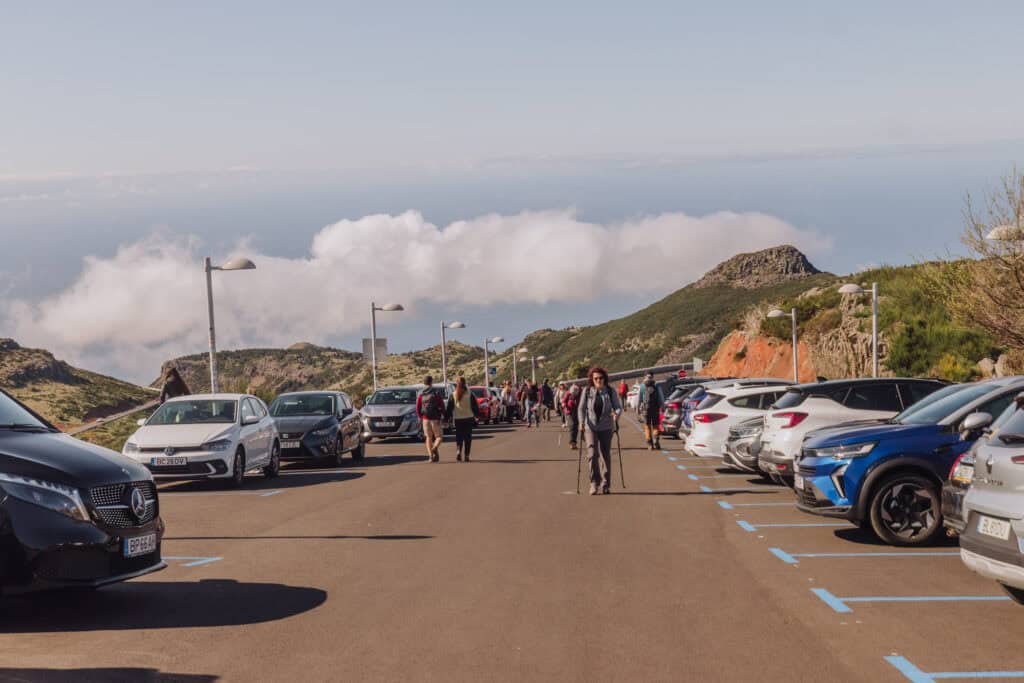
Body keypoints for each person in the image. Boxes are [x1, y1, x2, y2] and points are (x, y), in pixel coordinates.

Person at [577, 366, 623, 495]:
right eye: (596, 378)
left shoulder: (610, 391)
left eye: (601, 378)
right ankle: (594, 483)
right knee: (592, 454)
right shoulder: (587, 391)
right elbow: (581, 409)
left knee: (605, 455)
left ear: (605, 378)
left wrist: (616, 414)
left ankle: (605, 483)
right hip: (590, 427)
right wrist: (581, 423)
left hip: (606, 427)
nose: (599, 380)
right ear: (592, 379)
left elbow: (618, 407)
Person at [445, 377, 480, 462]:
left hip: (458, 419)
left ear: (457, 384)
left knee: (459, 437)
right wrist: (477, 416)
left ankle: (458, 451)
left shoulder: (453, 394)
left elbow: (449, 408)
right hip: (468, 418)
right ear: (465, 383)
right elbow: (475, 407)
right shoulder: (470, 394)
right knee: (468, 437)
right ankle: (467, 455)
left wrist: (446, 418)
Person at [416, 375, 446, 462]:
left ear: (424, 382)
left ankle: (430, 456)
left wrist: (421, 417)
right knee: (439, 437)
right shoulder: (436, 392)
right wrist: (444, 414)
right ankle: (435, 447)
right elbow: (442, 405)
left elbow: (417, 408)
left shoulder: (420, 393)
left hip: (425, 418)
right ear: (431, 382)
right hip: (435, 418)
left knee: (428, 437)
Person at [641, 374, 663, 450]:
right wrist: (662, 406)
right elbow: (660, 398)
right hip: (655, 409)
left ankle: (650, 444)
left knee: (647, 427)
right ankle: (656, 439)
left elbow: (639, 399)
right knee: (655, 426)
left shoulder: (642, 387)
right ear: (652, 378)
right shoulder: (656, 386)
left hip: (646, 410)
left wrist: (638, 409)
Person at [564, 384, 580, 449]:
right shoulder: (568, 393)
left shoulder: (580, 393)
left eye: (575, 394)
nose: (573, 395)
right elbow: (564, 401)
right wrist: (564, 405)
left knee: (575, 427)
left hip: (576, 412)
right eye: (572, 394)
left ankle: (574, 442)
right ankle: (572, 443)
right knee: (572, 426)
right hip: (569, 412)